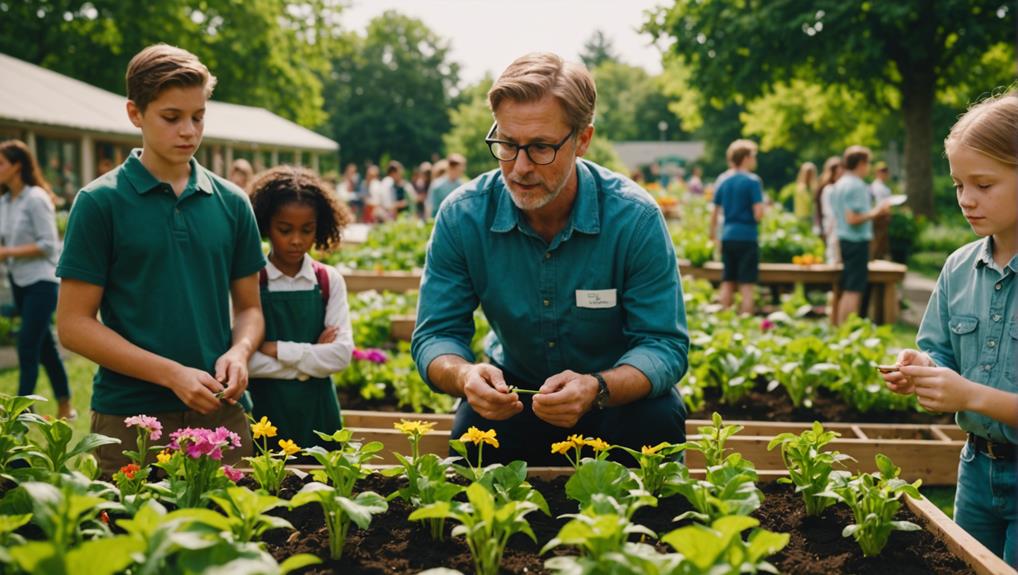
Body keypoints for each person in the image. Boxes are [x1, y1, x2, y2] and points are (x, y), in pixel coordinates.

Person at [411, 52, 689, 466]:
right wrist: (466, 375)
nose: (519, 167)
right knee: (473, 443)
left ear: (582, 140)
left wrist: (597, 387)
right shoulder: (463, 214)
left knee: (657, 421)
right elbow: (435, 335)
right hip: (516, 395)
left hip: (614, 396)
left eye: (540, 147)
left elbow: (664, 344)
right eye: (506, 144)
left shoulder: (634, 218)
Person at [55, 44, 265, 477]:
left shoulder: (233, 202)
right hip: (131, 420)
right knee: (136, 544)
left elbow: (249, 308)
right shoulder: (99, 203)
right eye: (172, 117)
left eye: (198, 116)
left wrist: (240, 352)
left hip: (221, 414)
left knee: (233, 540)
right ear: (135, 113)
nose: (189, 130)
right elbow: (73, 325)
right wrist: (171, 374)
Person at [881, 92, 1018, 565]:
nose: (966, 199)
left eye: (983, 184)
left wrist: (969, 396)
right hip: (976, 468)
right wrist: (922, 366)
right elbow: (939, 353)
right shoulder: (959, 267)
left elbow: (966, 391)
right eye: (959, 184)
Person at [246, 166, 354, 449]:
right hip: (262, 414)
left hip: (320, 416)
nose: (296, 240)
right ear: (265, 225)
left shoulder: (328, 280)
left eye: (307, 230)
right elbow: (243, 362)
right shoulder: (250, 282)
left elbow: (341, 355)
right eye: (284, 230)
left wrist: (276, 349)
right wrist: (310, 363)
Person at [0, 141, 73, 419]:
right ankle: (65, 403)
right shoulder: (5, 202)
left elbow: (48, 245)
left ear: (17, 166)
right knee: (44, 346)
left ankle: (19, 413)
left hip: (42, 281)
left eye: (1, 163)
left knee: (27, 344)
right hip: (19, 280)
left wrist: (6, 252)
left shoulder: (36, 198)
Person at [828, 145, 890, 325]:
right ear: (861, 163)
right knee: (854, 289)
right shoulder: (856, 186)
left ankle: (839, 328)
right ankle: (848, 329)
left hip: (843, 239)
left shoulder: (839, 184)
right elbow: (853, 218)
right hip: (856, 241)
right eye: (868, 163)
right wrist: (877, 212)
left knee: (845, 287)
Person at [709, 139, 765, 315]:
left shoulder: (723, 180)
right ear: (746, 157)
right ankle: (746, 322)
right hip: (747, 236)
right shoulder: (753, 181)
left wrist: (713, 235)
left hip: (727, 235)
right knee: (747, 285)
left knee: (727, 281)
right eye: (753, 156)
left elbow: (715, 212)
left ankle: (725, 321)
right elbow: (758, 213)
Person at [816, 156, 843, 264]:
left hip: (840, 228)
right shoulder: (829, 189)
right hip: (833, 228)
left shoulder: (840, 187)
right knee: (834, 257)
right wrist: (828, 229)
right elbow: (829, 212)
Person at [428, 153, 466, 218]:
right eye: (456, 169)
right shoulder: (437, 185)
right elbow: (430, 205)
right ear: (449, 167)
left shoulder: (463, 185)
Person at [869, 162, 892, 260]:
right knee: (876, 241)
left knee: (882, 242)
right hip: (877, 216)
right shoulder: (874, 186)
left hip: (884, 216)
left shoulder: (886, 188)